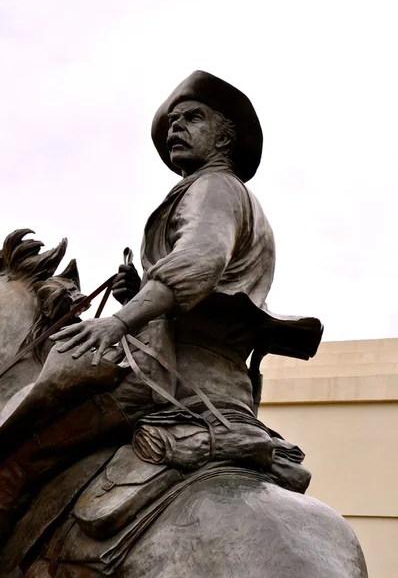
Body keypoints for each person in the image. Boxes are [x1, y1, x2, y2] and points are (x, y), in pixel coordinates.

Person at [0, 72, 320, 542]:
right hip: (218, 382)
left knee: (20, 454)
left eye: (193, 118)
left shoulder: (215, 188)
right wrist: (138, 291)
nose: (176, 127)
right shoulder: (220, 193)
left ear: (225, 137)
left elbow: (200, 259)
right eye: (172, 121)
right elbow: (205, 290)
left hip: (162, 379)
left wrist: (118, 320)